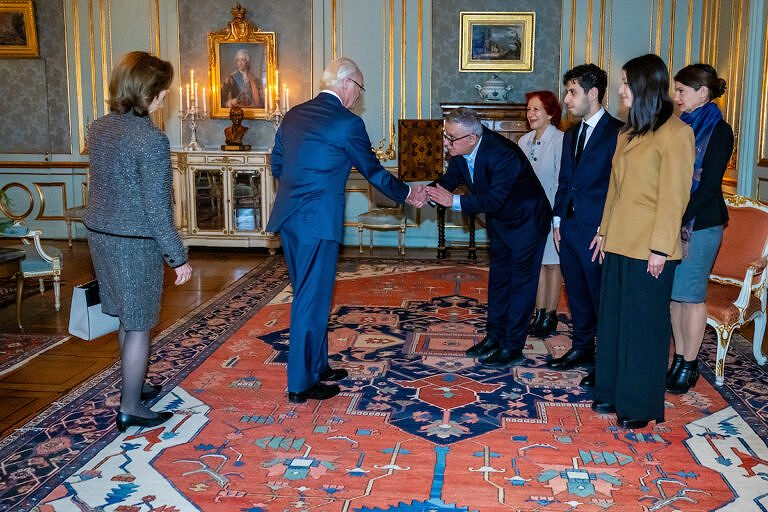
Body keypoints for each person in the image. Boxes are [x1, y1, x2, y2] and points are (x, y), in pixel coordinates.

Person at [266, 57, 426, 404]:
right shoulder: (347, 122)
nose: (358, 96)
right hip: (318, 222)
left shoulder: (294, 115)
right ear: (347, 83)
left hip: (289, 219)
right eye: (360, 88)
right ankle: (300, 384)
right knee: (310, 299)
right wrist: (407, 193)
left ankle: (318, 366)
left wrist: (300, 188)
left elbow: (276, 162)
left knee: (312, 294)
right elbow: (373, 172)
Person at [84, 51, 193, 432]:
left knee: (126, 317)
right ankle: (131, 407)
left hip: (100, 233)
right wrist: (177, 257)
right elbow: (157, 208)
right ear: (148, 92)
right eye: (163, 90)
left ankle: (136, 385)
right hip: (134, 241)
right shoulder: (151, 140)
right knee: (140, 322)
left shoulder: (99, 127)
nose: (166, 96)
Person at [591, 54, 694, 429]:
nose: (620, 89)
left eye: (625, 82)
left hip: (652, 247)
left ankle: (638, 405)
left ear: (644, 85)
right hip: (619, 240)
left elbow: (674, 197)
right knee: (614, 322)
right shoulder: (628, 132)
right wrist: (603, 231)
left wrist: (661, 249)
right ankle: (611, 392)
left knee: (643, 328)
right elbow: (614, 190)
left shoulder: (677, 133)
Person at [427, 107, 551, 367]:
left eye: (451, 138)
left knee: (520, 285)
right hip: (500, 223)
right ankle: (494, 336)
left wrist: (453, 201)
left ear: (471, 138)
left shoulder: (503, 154)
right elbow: (449, 179)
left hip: (527, 223)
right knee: (498, 281)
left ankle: (512, 346)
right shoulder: (461, 152)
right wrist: (426, 194)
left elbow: (494, 200)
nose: (446, 142)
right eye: (445, 135)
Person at [547, 64, 624, 387]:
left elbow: (621, 187)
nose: (566, 99)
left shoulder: (619, 132)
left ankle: (605, 361)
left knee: (600, 298)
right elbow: (565, 182)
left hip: (598, 232)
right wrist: (557, 221)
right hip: (570, 228)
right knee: (576, 292)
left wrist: (607, 230)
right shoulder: (571, 134)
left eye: (572, 92)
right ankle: (582, 348)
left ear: (593, 93)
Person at [666, 64, 733, 394]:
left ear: (702, 92)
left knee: (691, 296)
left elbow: (708, 187)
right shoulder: (678, 126)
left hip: (701, 224)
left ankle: (690, 364)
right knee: (674, 296)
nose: (676, 96)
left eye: (682, 90)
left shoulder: (719, 131)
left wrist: (676, 217)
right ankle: (679, 357)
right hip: (674, 221)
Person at [517, 91, 564, 338]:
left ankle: (550, 315)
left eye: (536, 109)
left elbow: (560, 180)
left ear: (550, 113)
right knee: (536, 264)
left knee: (552, 264)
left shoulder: (560, 140)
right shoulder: (523, 141)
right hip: (529, 214)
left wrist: (555, 215)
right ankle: (538, 313)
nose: (530, 114)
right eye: (528, 109)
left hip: (552, 211)